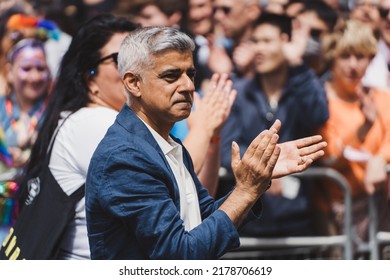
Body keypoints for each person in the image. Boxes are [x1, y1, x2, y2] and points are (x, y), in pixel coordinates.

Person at [85, 26, 327, 260]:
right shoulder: (125, 156)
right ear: (133, 83)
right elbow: (179, 257)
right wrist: (246, 190)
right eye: (171, 76)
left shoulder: (166, 142)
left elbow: (204, 218)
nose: (188, 86)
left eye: (190, 74)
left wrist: (258, 176)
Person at [18, 14, 139, 260]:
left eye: (141, 59)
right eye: (120, 60)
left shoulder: (104, 121)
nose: (134, 69)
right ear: (89, 76)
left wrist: (211, 139)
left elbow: (190, 205)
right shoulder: (93, 124)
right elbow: (175, 193)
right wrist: (202, 128)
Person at [219, 12, 329, 239]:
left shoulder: (303, 83)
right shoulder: (238, 92)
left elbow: (319, 115)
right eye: (255, 41)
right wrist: (265, 171)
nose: (259, 48)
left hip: (297, 223)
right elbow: (227, 150)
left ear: (286, 42)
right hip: (247, 224)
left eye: (267, 41)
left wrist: (297, 64)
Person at [318, 19, 390, 257]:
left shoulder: (381, 97)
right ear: (332, 58)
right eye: (345, 55)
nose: (353, 65)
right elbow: (329, 158)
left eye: (360, 56)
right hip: (338, 214)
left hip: (381, 208)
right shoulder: (321, 101)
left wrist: (381, 159)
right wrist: (363, 129)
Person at [0, 38, 51, 171]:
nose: (34, 77)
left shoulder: (57, 112)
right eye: (26, 68)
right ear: (10, 71)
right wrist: (6, 156)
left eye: (40, 68)